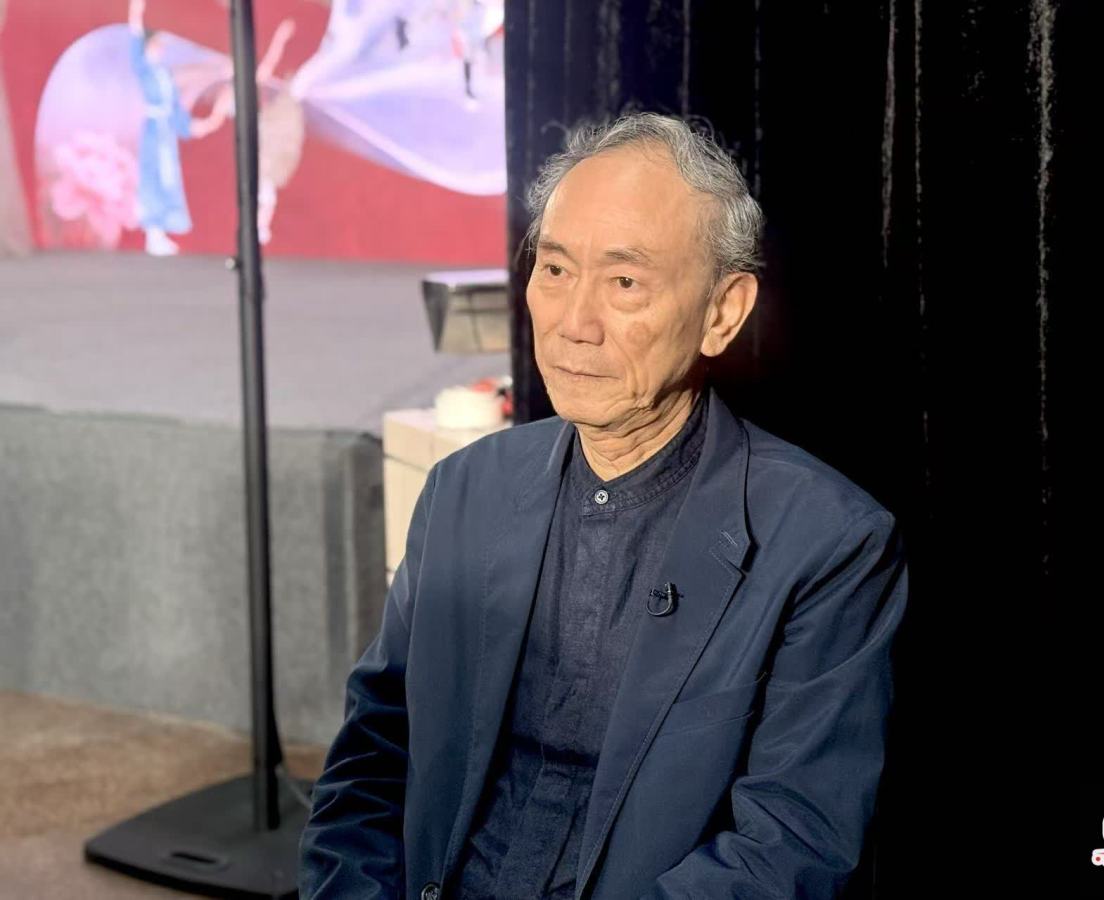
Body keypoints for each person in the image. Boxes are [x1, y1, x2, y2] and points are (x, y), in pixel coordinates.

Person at [297, 112, 909, 900]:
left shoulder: (829, 545)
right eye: (555, 270)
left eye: (625, 283)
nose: (574, 324)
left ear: (723, 312)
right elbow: (372, 758)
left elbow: (788, 848)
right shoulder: (465, 490)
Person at [128, 0, 228, 256]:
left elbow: (175, 109)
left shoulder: (165, 75)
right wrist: (136, 11)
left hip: (166, 132)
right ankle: (153, 232)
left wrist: (194, 126)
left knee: (168, 176)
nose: (160, 49)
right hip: (153, 131)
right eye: (156, 44)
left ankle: (161, 232)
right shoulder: (144, 69)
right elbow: (135, 38)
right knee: (153, 176)